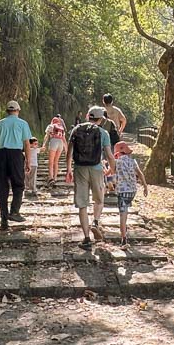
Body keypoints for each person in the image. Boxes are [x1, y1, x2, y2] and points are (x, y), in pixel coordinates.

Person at [65, 106, 116, 250]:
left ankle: (87, 238)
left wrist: (68, 169)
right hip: (97, 169)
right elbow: (109, 155)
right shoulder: (103, 133)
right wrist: (112, 171)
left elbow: (69, 153)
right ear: (100, 119)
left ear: (88, 116)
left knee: (82, 203)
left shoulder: (76, 130)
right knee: (99, 199)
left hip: (80, 168)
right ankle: (95, 221)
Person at [0, 100, 32, 230]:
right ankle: (14, 211)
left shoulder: (0, 124)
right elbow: (26, 144)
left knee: (2, 187)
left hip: (1, 155)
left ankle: (3, 220)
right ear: (18, 110)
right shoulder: (23, 124)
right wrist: (28, 161)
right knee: (18, 184)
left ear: (7, 111)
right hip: (16, 155)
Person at [112, 141, 148, 246]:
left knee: (122, 215)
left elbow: (108, 173)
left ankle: (124, 239)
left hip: (122, 192)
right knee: (126, 210)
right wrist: (145, 186)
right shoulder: (133, 161)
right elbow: (140, 174)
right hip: (132, 191)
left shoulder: (116, 162)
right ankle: (124, 229)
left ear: (118, 153)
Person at [41, 115, 67, 184]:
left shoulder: (51, 126)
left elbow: (46, 136)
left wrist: (44, 145)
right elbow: (64, 139)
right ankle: (55, 178)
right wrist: (66, 149)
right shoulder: (61, 128)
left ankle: (51, 178)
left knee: (51, 162)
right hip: (60, 143)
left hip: (54, 142)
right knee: (56, 162)